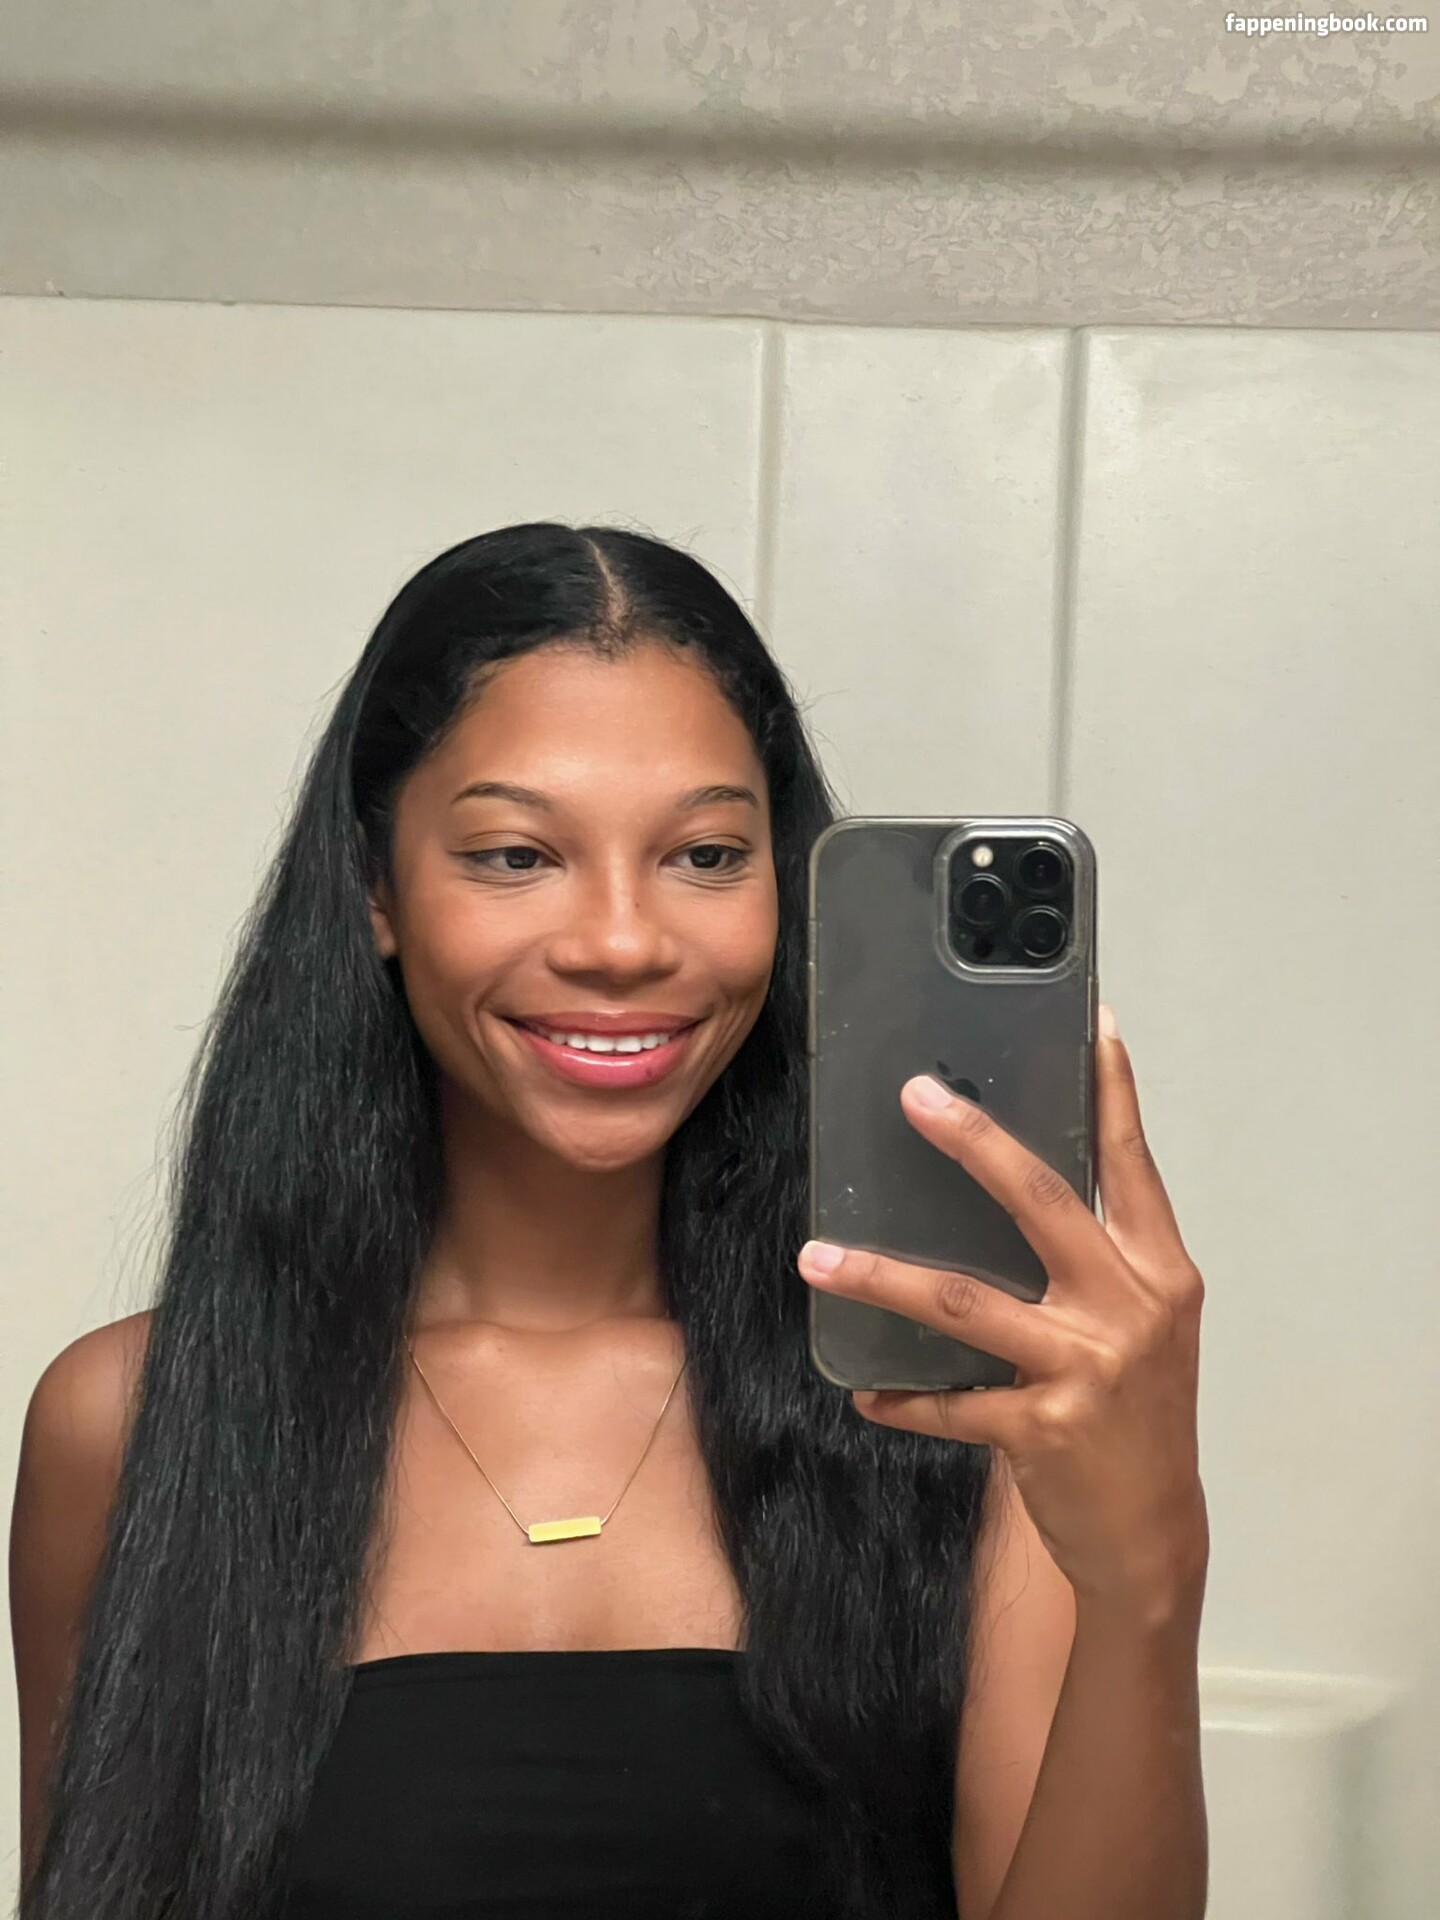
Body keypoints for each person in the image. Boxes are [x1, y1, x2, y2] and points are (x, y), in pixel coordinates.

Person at [9, 524, 1209, 1920]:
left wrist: (1148, 1576)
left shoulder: (956, 1410)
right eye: (518, 854)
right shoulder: (131, 1422)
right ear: (376, 888)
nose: (625, 942)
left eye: (706, 854)